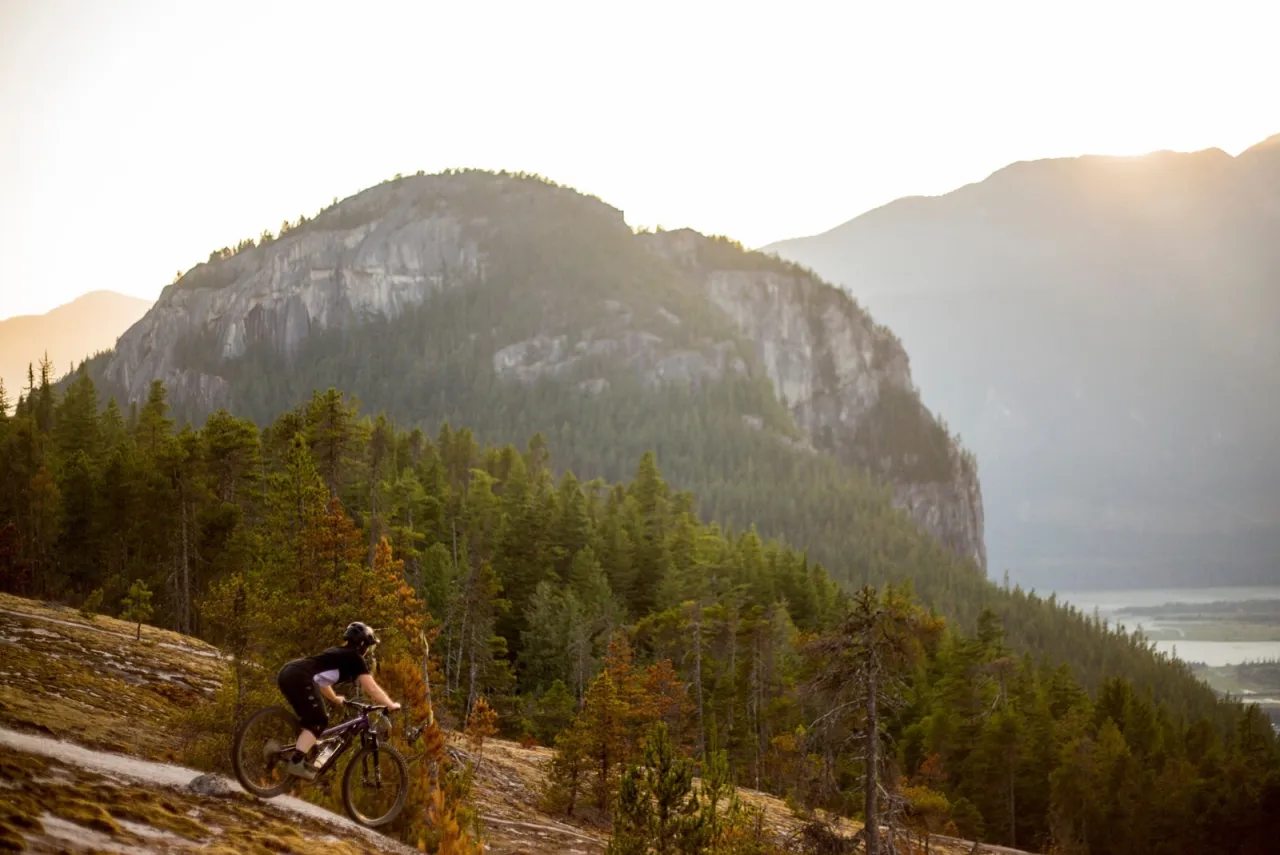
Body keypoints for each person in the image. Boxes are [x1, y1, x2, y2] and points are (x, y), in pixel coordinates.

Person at [275, 621, 401, 780]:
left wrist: (334, 698)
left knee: (310, 722)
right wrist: (390, 705)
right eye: (368, 646)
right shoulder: (355, 658)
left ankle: (283, 754)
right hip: (300, 677)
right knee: (319, 721)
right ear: (362, 644)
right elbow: (372, 688)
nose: (368, 650)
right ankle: (296, 762)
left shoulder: (338, 652)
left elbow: (322, 680)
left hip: (288, 673)